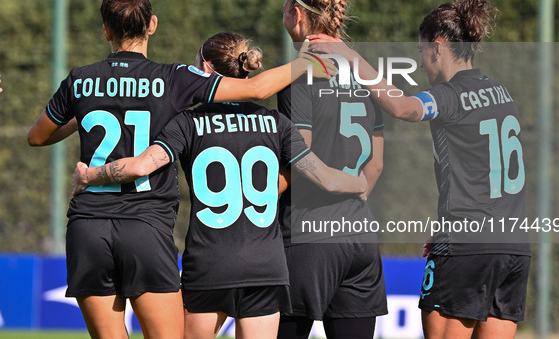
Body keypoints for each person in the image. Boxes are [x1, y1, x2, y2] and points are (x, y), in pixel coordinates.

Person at [27, 0, 333, 339]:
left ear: (105, 29)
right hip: (145, 227)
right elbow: (256, 91)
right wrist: (309, 61)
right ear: (151, 24)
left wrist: (87, 111)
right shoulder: (173, 78)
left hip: (88, 227)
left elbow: (38, 137)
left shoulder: (80, 80)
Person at [71, 31, 368, 339]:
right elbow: (326, 179)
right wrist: (359, 183)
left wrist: (89, 176)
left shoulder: (187, 123)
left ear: (208, 69)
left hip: (210, 265)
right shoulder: (277, 123)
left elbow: (140, 166)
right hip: (265, 268)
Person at [309, 0, 530, 339]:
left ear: (438, 47)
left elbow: (405, 108)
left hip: (467, 244)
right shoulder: (501, 92)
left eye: (421, 52)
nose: (423, 62)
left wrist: (351, 57)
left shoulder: (449, 94)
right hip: (514, 246)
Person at [277, 0, 388, 339]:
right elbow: (376, 164)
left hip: (308, 236)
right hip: (359, 235)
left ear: (297, 13)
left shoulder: (299, 76)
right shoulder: (368, 75)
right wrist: (355, 193)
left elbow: (302, 163)